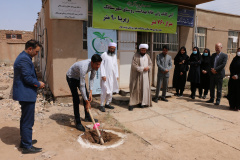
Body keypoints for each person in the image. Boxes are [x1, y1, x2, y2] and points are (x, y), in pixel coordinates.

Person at [13, 39, 45, 154]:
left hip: (25, 93)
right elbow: (27, 78)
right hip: (25, 94)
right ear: (30, 49)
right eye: (36, 52)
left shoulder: (24, 57)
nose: (37, 54)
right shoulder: (24, 59)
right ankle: (27, 146)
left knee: (25, 119)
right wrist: (38, 83)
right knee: (28, 121)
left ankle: (25, 141)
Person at [66, 54, 102, 132]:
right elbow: (82, 85)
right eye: (97, 64)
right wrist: (86, 102)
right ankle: (78, 122)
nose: (98, 66)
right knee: (76, 99)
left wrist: (90, 92)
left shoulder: (95, 67)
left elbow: (92, 78)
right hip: (71, 77)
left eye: (99, 64)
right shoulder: (84, 67)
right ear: (92, 62)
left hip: (78, 77)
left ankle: (87, 116)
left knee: (87, 95)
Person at [129, 44, 152, 111]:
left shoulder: (147, 56)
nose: (143, 51)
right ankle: (132, 103)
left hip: (145, 76)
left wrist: (148, 67)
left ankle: (142, 103)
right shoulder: (135, 56)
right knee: (135, 89)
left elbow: (150, 64)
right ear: (140, 49)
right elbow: (134, 66)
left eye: (144, 50)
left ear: (146, 50)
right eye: (142, 50)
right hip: (137, 76)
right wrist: (142, 68)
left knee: (144, 89)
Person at [99, 42, 119, 112]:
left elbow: (115, 65)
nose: (112, 50)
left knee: (110, 91)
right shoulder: (104, 55)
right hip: (105, 76)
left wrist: (116, 75)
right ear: (108, 48)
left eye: (113, 49)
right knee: (104, 91)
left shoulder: (114, 56)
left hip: (112, 77)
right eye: (111, 49)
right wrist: (103, 75)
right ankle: (101, 105)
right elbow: (101, 65)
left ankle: (107, 103)